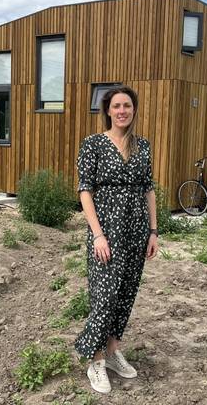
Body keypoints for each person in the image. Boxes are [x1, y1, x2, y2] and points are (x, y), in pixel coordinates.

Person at [74, 85, 158, 393]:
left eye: (127, 105)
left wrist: (153, 231)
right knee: (104, 296)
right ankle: (95, 360)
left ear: (133, 110)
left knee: (125, 294)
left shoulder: (143, 146)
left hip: (136, 233)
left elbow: (148, 189)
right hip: (106, 234)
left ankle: (111, 352)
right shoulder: (93, 144)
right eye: (116, 106)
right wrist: (98, 235)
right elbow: (85, 191)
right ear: (108, 110)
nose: (122, 110)